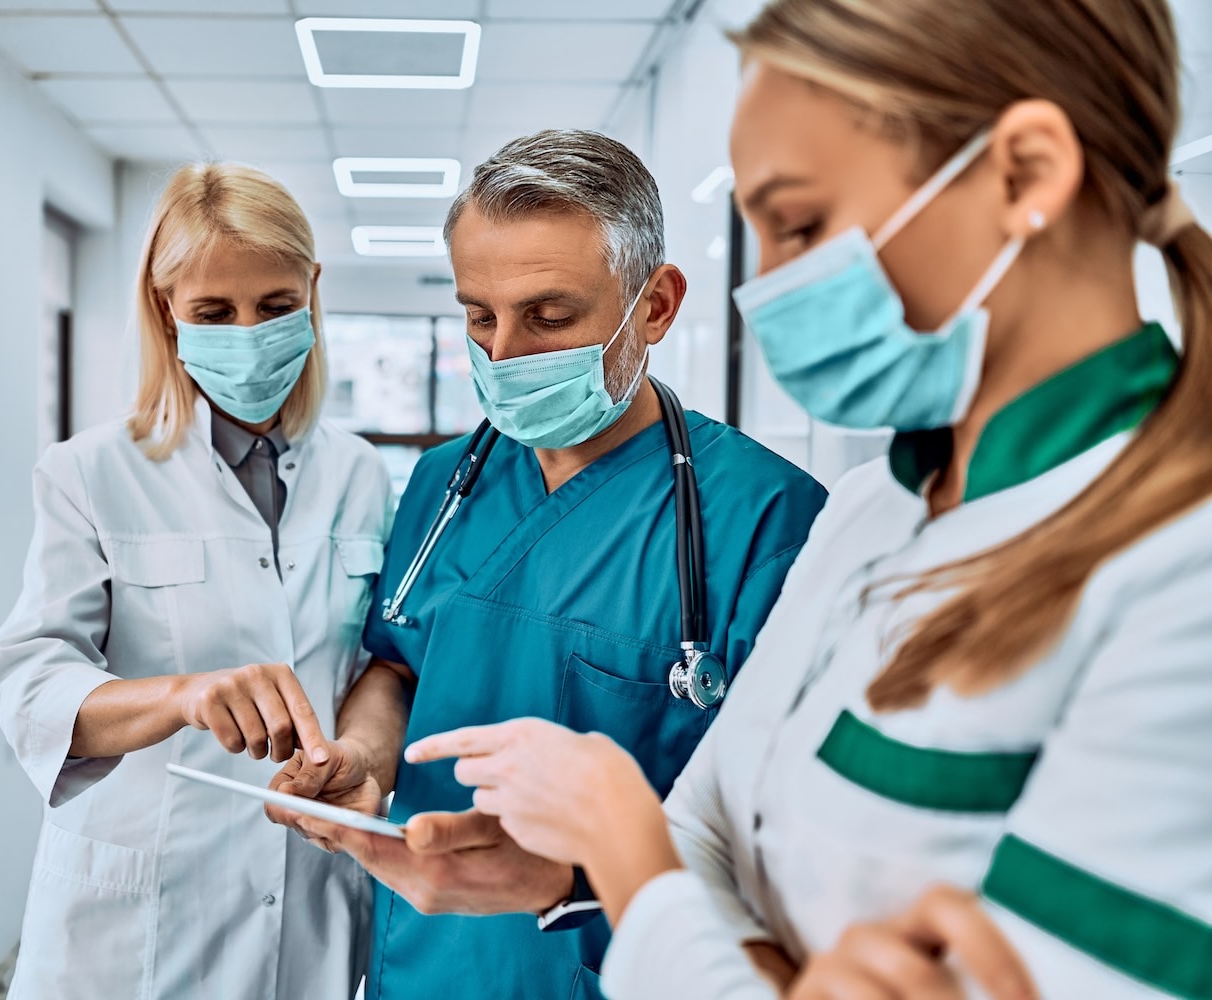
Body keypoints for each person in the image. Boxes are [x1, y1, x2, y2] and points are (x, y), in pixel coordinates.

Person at [405, 1, 1212, 997]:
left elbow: (683, 870)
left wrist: (626, 837)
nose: (770, 290)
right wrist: (717, 925)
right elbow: (704, 833)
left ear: (1028, 174)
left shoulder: (1182, 569)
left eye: (800, 225)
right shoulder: (876, 509)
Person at [266, 130, 827, 999]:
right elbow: (398, 661)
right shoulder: (444, 481)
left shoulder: (768, 521)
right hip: (421, 960)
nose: (503, 354)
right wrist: (365, 759)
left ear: (656, 306)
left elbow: (790, 842)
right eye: (478, 315)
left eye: (551, 317)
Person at [0, 163, 391, 1000]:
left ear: (313, 291)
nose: (249, 334)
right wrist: (179, 697)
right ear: (166, 310)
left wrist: (354, 756)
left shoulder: (362, 476)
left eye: (276, 306)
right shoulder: (89, 472)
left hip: (308, 900)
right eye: (214, 312)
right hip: (133, 924)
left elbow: (379, 664)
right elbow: (29, 684)